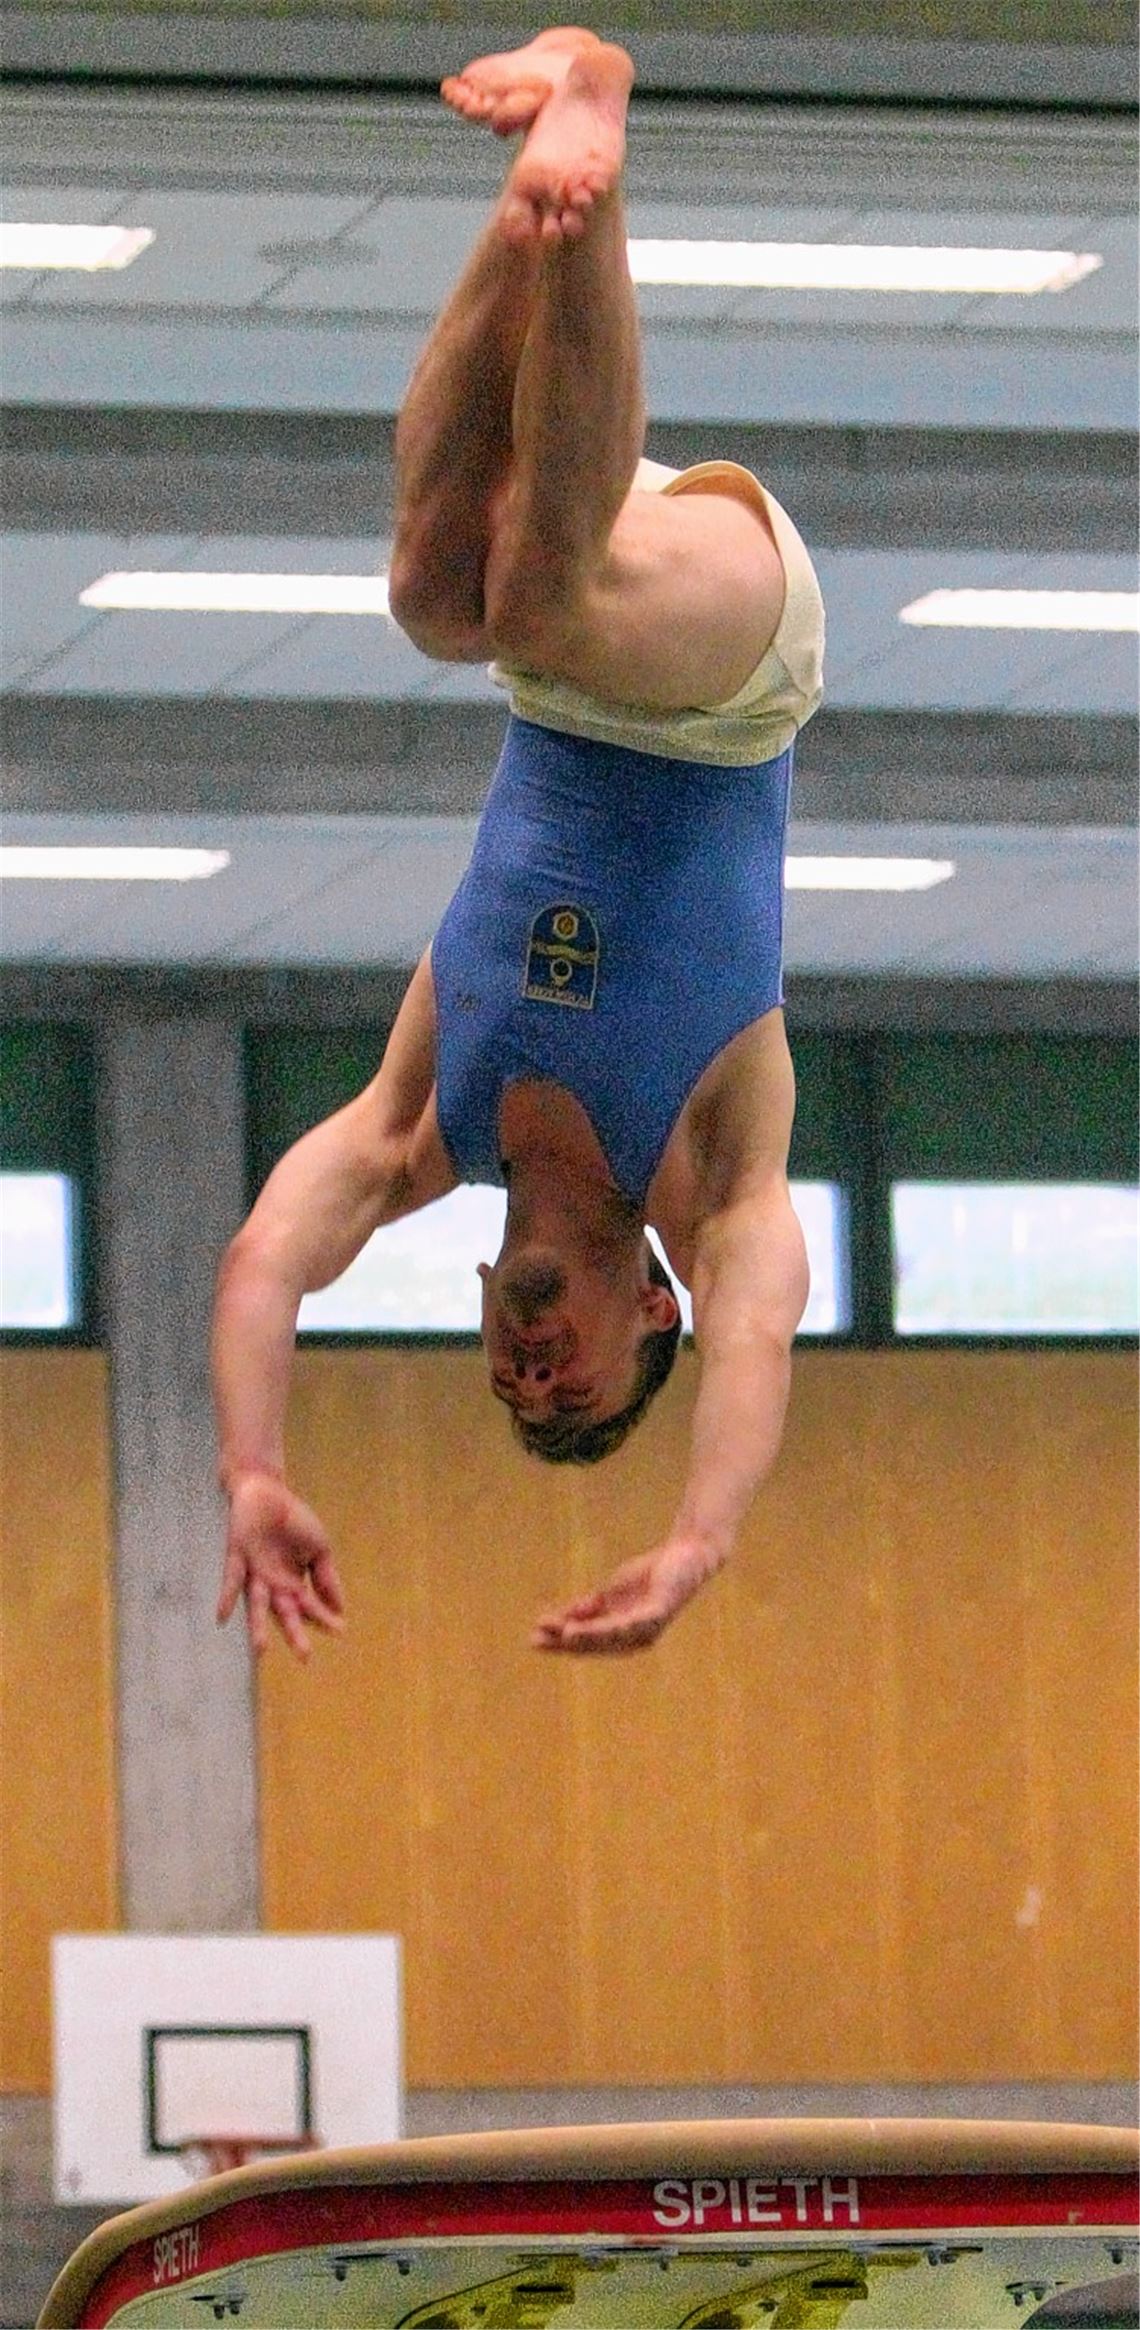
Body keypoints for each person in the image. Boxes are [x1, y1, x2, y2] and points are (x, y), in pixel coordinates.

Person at [212, 26, 825, 1662]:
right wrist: (700, 1536)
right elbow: (761, 1335)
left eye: (509, 1383)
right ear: (651, 1309)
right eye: (578, 1385)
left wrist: (256, 1463)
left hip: (576, 655)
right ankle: (594, 115)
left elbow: (273, 1254)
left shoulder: (428, 1126)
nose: (532, 1371)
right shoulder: (722, 1171)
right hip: (734, 680)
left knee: (436, 595)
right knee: (533, 604)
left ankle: (533, 203)